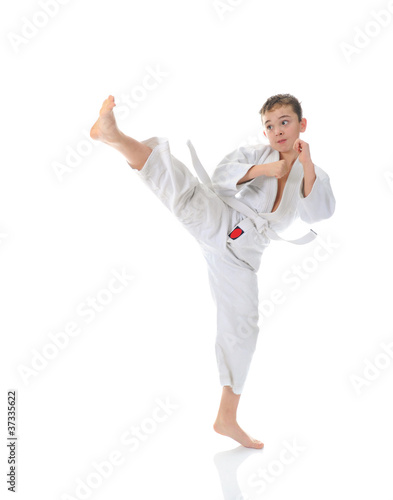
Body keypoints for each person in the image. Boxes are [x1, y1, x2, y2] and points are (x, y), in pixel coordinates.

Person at [90, 93, 335, 449]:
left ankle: (226, 418)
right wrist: (267, 169)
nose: (278, 130)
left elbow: (320, 212)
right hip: (221, 219)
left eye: (285, 121)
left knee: (243, 328)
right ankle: (113, 136)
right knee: (183, 190)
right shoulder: (256, 154)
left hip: (242, 258)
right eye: (270, 125)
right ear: (264, 131)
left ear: (302, 124)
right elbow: (221, 180)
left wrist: (306, 162)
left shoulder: (312, 172)